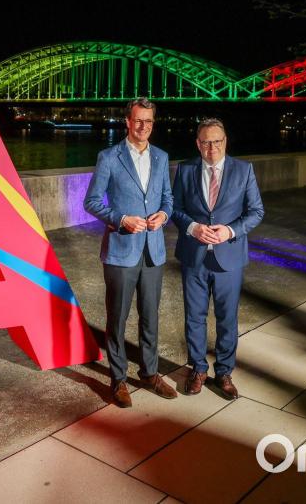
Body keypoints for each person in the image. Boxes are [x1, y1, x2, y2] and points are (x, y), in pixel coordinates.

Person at [84, 98, 177, 408]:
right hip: (121, 251)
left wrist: (164, 215)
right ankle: (119, 378)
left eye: (148, 121)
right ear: (127, 121)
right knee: (118, 318)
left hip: (154, 251)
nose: (143, 127)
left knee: (150, 316)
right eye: (138, 120)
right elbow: (93, 201)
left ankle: (150, 373)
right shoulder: (109, 157)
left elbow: (167, 199)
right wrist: (121, 220)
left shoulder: (162, 157)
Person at [171, 118, 264, 400]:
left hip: (229, 258)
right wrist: (192, 227)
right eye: (206, 142)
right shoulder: (185, 169)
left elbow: (256, 211)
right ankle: (198, 369)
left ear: (226, 142)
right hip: (194, 256)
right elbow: (175, 208)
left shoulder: (243, 170)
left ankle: (224, 372)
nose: (212, 147)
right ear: (198, 144)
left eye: (217, 141)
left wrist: (230, 230)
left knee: (227, 319)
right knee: (194, 317)